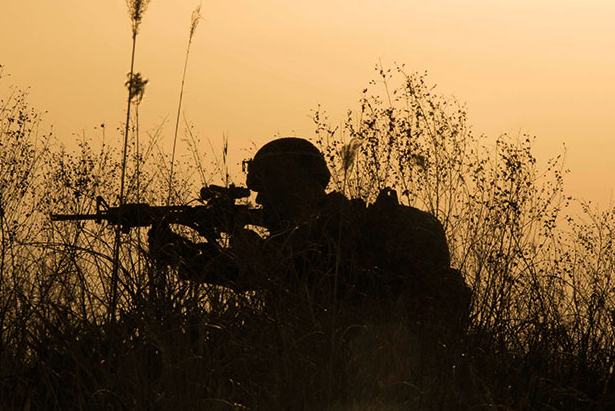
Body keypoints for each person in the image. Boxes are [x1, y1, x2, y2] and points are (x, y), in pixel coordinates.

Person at [148, 137, 470, 330]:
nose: (261, 200)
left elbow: (260, 268)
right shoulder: (329, 221)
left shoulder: (329, 225)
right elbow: (245, 272)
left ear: (291, 185)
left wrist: (233, 229)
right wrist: (179, 252)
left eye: (268, 189)